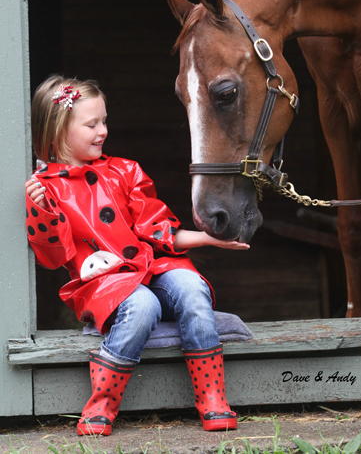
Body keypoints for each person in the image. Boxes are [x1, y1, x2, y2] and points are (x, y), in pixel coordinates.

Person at [25, 75, 249, 436]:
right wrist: (40, 210)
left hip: (151, 265)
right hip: (104, 282)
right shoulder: (46, 188)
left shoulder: (125, 171)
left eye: (104, 121)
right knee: (143, 306)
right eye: (91, 124)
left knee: (191, 286)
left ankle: (212, 397)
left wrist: (209, 238)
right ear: (57, 130)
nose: (103, 131)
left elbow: (158, 229)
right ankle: (102, 403)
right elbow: (52, 254)